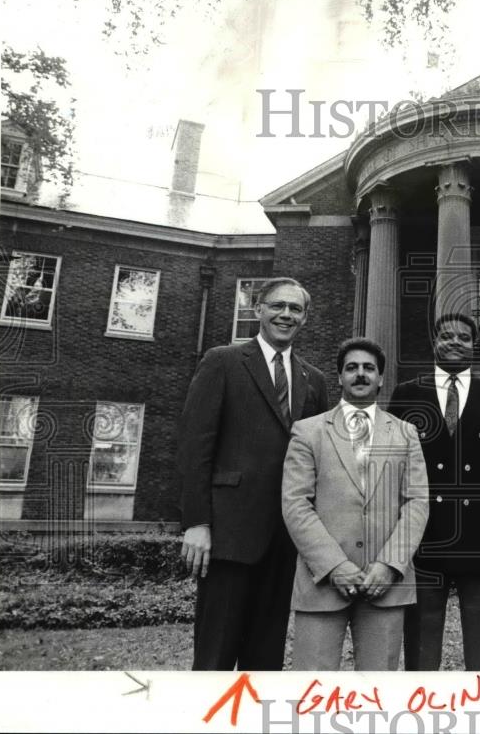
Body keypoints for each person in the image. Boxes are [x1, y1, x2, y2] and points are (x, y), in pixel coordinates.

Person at [178, 276, 329, 670]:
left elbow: (318, 462)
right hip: (229, 535)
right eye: (277, 306)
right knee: (215, 657)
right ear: (258, 310)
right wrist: (197, 522)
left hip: (284, 539)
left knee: (265, 660)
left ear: (305, 318)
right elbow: (195, 447)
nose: (286, 314)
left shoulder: (314, 381)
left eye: (295, 309)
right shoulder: (222, 361)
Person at [281, 337, 429, 670]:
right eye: (351, 368)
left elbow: (417, 503)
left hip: (386, 585)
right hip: (321, 583)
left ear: (380, 378)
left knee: (377, 693)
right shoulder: (308, 432)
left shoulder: (405, 434)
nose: (360, 375)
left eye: (368, 368)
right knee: (313, 693)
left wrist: (389, 565)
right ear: (339, 377)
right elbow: (295, 505)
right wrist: (335, 566)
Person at [389, 312, 480, 670]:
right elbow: (393, 469)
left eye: (464, 337)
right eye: (447, 336)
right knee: (421, 646)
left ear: (475, 345)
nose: (456, 342)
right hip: (424, 537)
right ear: (435, 342)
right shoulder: (408, 393)